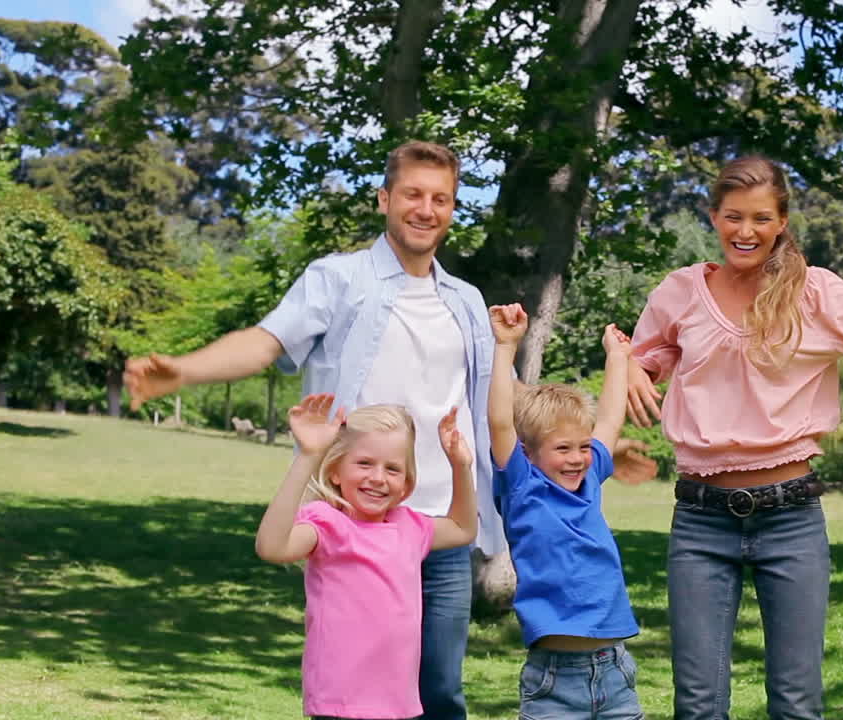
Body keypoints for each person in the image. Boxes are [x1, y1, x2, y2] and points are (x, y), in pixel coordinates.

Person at [124, 140, 495, 719]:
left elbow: (498, 395)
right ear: (384, 199)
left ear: (452, 209)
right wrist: (186, 370)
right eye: (413, 194)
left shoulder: (468, 303)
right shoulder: (338, 279)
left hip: (438, 524)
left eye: (440, 199)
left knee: (441, 695)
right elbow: (266, 340)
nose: (426, 209)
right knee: (353, 693)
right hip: (355, 527)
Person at [625, 156, 843, 720]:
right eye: (732, 217)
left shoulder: (817, 295)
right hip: (701, 519)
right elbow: (639, 358)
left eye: (759, 219)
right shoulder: (680, 292)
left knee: (797, 705)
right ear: (713, 216)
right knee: (698, 705)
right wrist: (627, 364)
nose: (745, 232)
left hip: (790, 518)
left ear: (781, 222)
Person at [256, 393, 478, 720]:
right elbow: (272, 547)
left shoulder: (410, 526)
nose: (377, 477)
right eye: (364, 463)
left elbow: (462, 528)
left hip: (398, 705)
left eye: (392, 469)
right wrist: (308, 456)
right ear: (335, 471)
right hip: (340, 703)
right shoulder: (327, 524)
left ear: (406, 484)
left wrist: (461, 466)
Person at [487, 302, 645, 720]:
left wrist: (617, 358)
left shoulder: (589, 479)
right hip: (554, 677)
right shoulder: (523, 486)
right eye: (562, 449)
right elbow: (501, 423)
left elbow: (610, 421)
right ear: (529, 453)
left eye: (581, 446)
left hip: (614, 669)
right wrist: (505, 347)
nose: (577, 458)